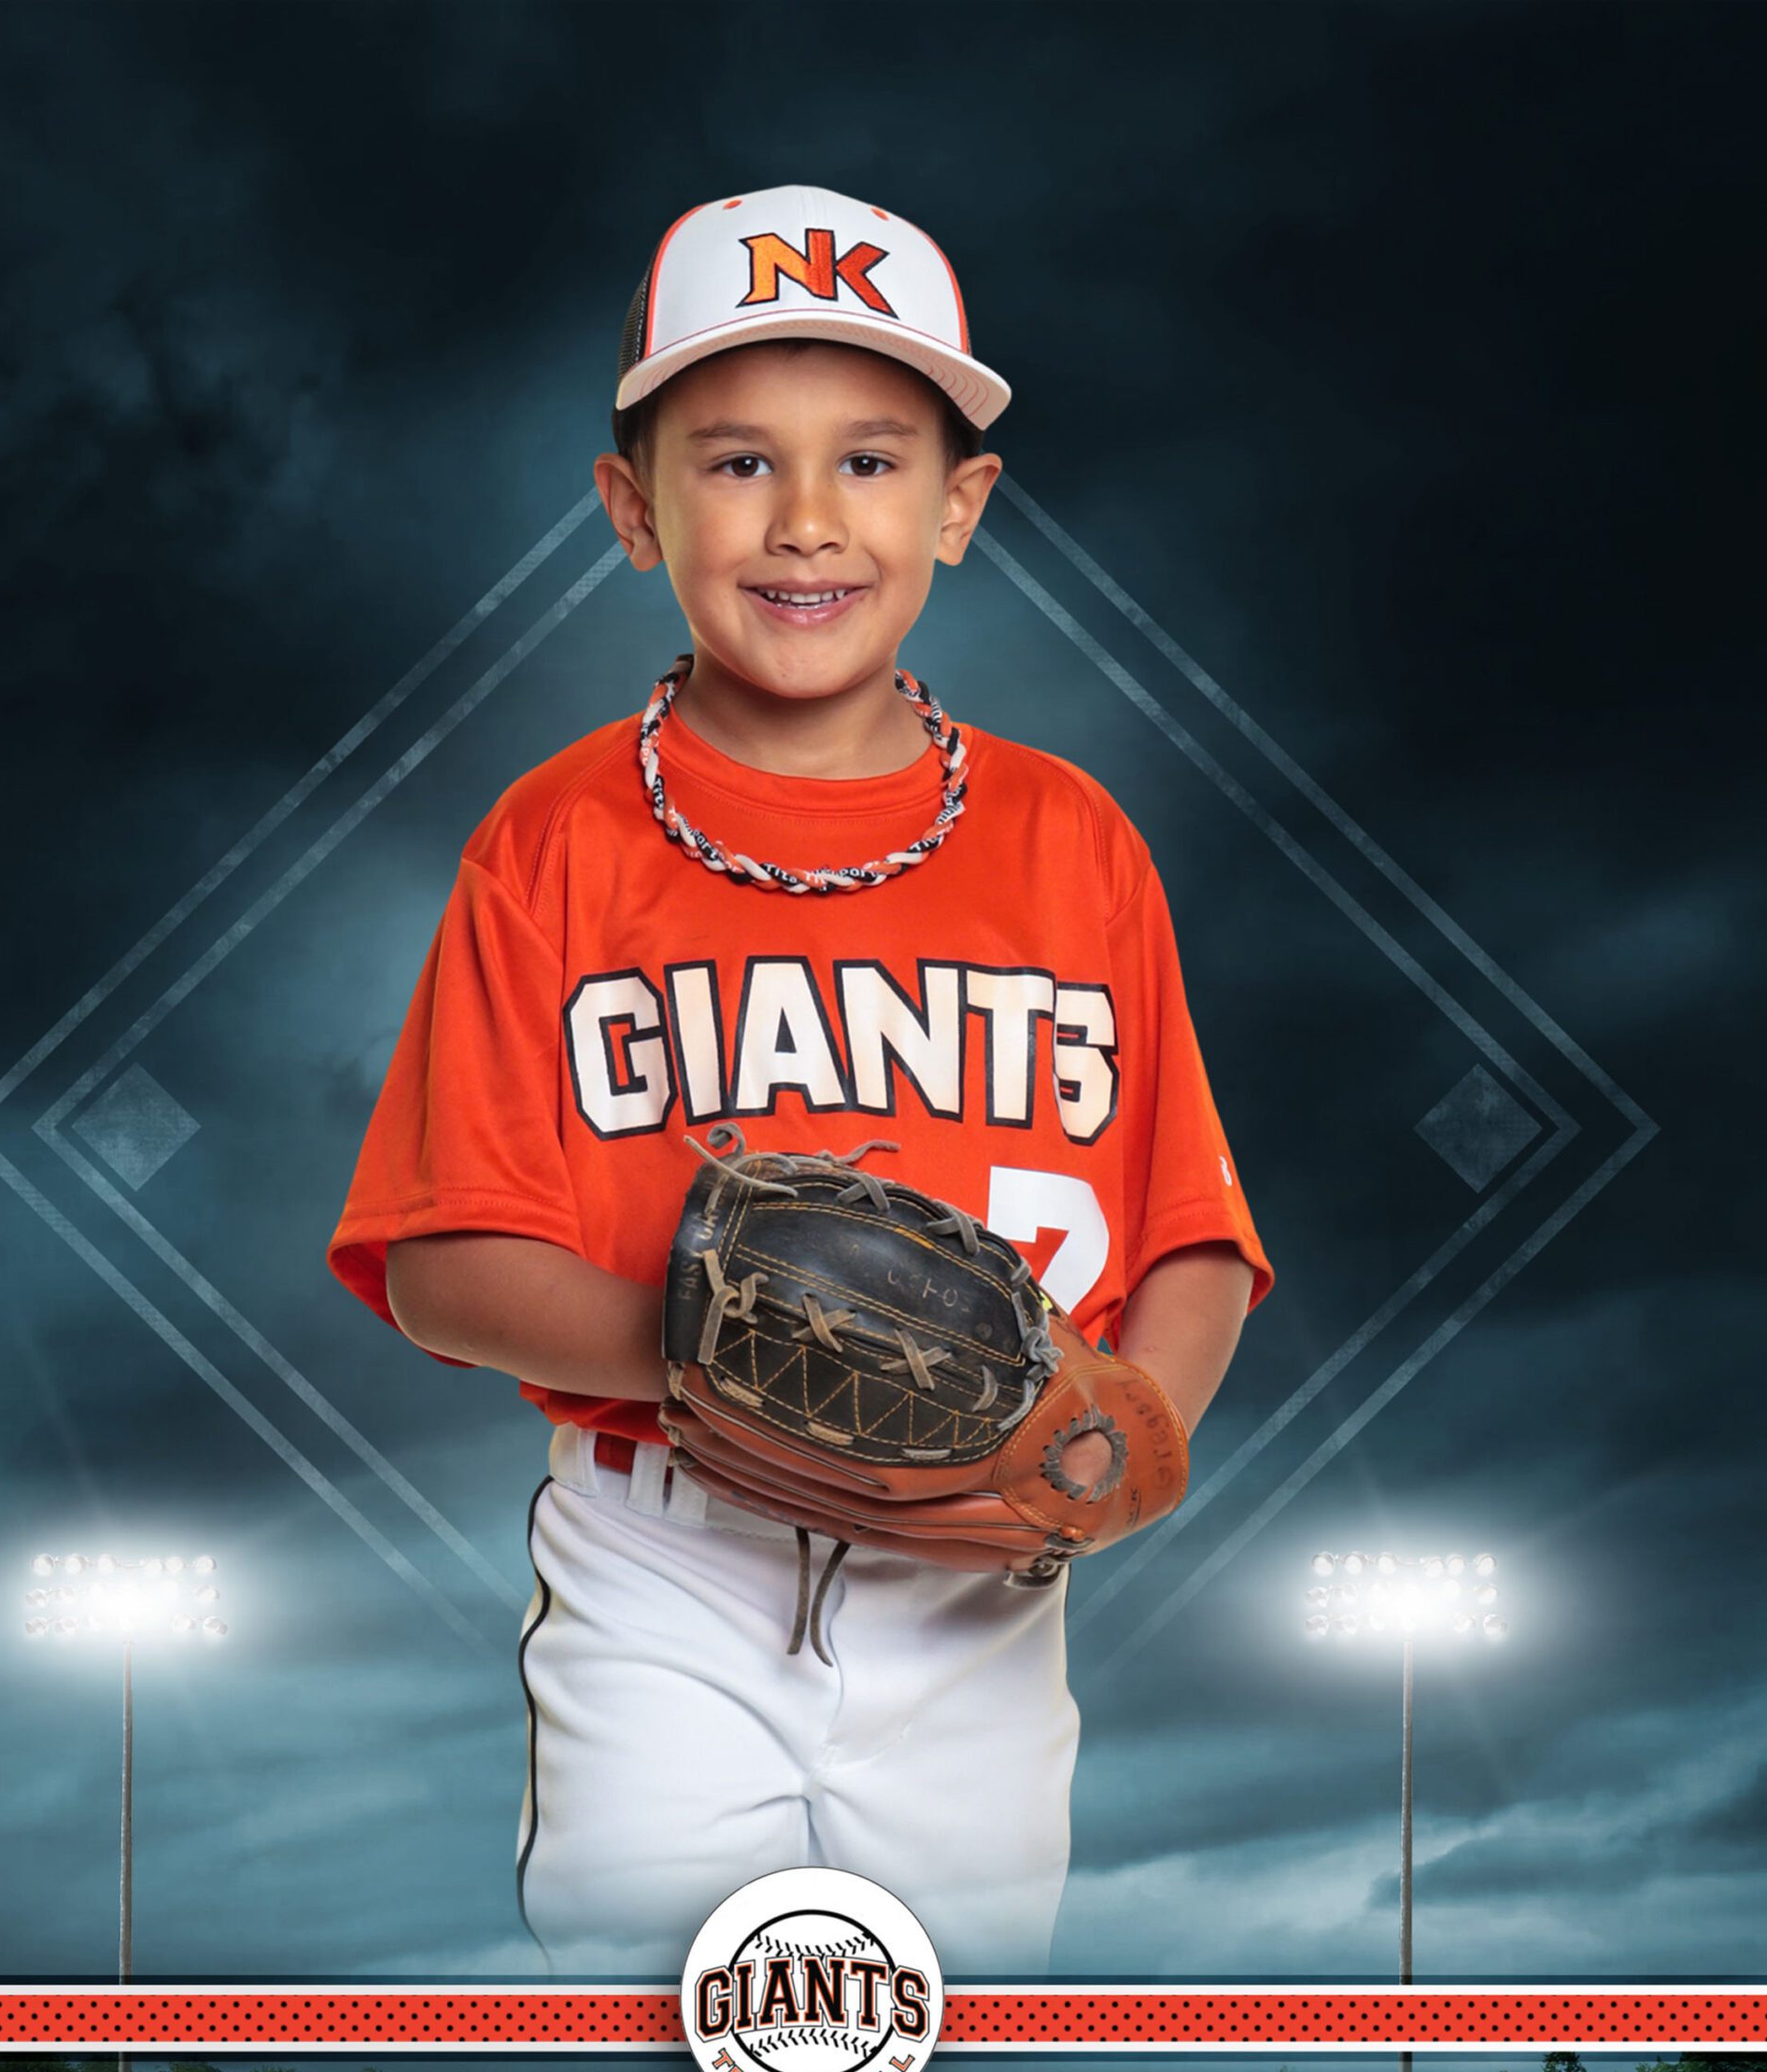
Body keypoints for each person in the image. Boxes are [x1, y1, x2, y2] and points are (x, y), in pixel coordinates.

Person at [326, 184, 1275, 1976]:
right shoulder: (555, 838)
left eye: (874, 458)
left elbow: (1193, 1234)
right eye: (738, 461)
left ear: (961, 507)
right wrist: (758, 1367)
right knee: (652, 2009)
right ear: (633, 508)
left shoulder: (1076, 839)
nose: (810, 521)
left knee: (956, 2034)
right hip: (663, 1558)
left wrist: (1125, 1443)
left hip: (984, 1575)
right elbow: (446, 1259)